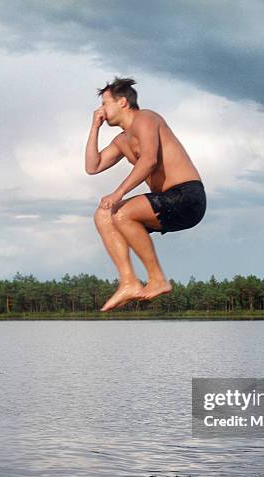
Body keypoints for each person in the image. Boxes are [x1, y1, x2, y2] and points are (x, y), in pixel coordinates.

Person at [85, 77, 206, 312]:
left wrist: (118, 193)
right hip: (167, 204)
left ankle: (157, 279)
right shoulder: (121, 141)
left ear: (122, 102)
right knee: (103, 216)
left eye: (105, 103)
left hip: (188, 196)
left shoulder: (146, 118)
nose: (101, 110)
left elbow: (149, 160)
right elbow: (93, 166)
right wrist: (94, 127)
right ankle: (128, 282)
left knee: (122, 213)